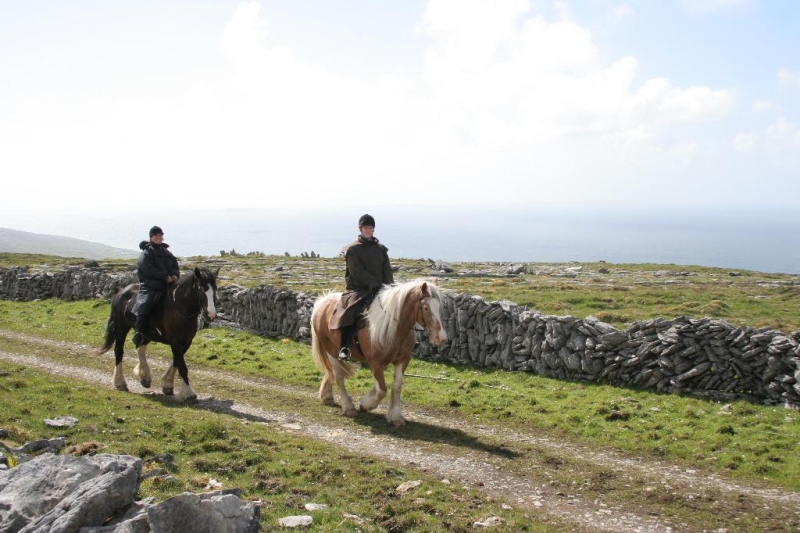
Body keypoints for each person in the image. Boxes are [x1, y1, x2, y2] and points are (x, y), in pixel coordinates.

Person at [329, 214, 394, 360]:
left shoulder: (381, 249)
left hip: (380, 288)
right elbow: (357, 272)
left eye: (370, 228)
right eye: (365, 228)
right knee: (352, 312)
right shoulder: (352, 250)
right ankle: (344, 347)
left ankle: (401, 341)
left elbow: (387, 269)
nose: (368, 230)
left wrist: (390, 287)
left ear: (373, 230)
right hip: (358, 289)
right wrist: (375, 282)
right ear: (360, 229)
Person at [131, 226, 180, 347]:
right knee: (146, 303)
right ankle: (139, 331)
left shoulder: (166, 251)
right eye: (155, 236)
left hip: (168, 285)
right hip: (150, 286)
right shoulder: (147, 252)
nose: (158, 238)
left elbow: (174, 265)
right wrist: (164, 276)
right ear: (151, 237)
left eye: (160, 235)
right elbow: (147, 268)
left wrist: (174, 274)